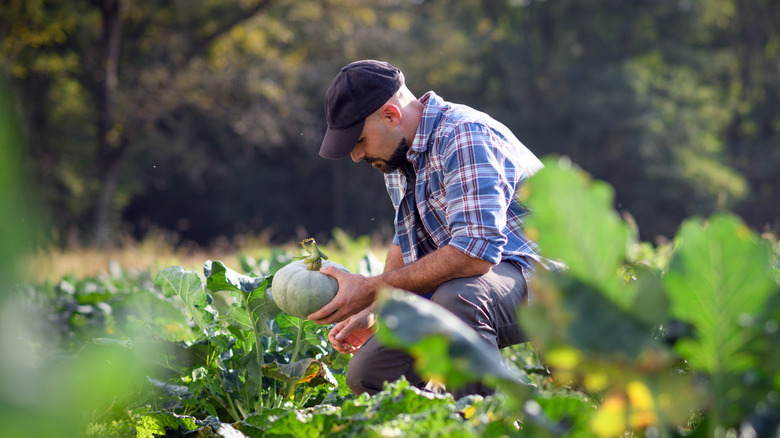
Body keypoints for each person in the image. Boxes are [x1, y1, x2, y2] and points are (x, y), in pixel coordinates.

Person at [309, 60, 544, 399]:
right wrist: (376, 308)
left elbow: (475, 254)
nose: (357, 155)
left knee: (460, 298)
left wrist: (371, 288)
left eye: (359, 140)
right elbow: (404, 242)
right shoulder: (397, 157)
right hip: (486, 281)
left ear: (391, 115)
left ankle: (496, 419)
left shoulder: (465, 136)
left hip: (552, 283)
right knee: (370, 374)